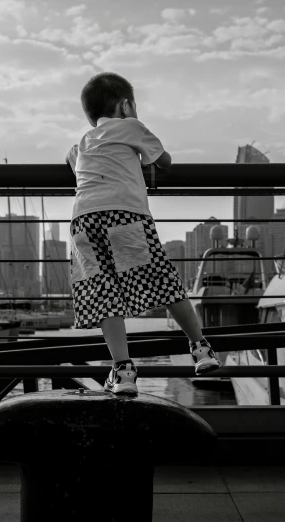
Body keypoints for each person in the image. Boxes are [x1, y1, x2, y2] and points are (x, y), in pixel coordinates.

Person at [66, 72, 220, 395]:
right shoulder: (131, 127)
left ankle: (122, 371)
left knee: (104, 295)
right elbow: (164, 161)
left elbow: (72, 161)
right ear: (126, 105)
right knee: (161, 281)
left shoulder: (81, 143)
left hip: (83, 221)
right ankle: (200, 347)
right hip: (126, 215)